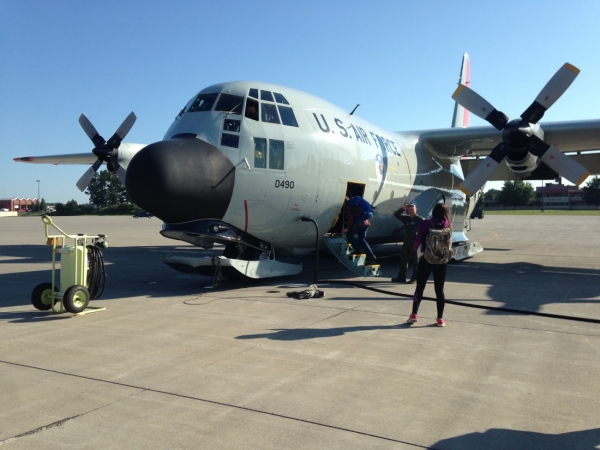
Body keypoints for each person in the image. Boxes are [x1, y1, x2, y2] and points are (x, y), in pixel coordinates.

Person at [406, 203, 451, 327]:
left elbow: (418, 239)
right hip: (442, 260)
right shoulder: (447, 224)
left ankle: (414, 314)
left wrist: (414, 251)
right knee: (439, 290)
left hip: (427, 258)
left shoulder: (426, 223)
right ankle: (440, 318)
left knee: (420, 287)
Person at [391, 202, 423, 283]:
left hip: (415, 243)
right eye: (409, 210)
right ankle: (401, 276)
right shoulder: (407, 218)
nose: (411, 211)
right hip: (407, 242)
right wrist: (403, 208)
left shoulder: (420, 220)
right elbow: (396, 215)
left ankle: (414, 277)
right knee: (403, 259)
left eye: (413, 209)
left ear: (416, 210)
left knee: (416, 261)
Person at [342, 195, 377, 265]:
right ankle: (371, 256)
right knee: (362, 239)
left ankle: (358, 250)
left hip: (359, 223)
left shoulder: (348, 206)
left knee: (349, 235)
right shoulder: (356, 201)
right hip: (366, 223)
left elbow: (351, 219)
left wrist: (346, 228)